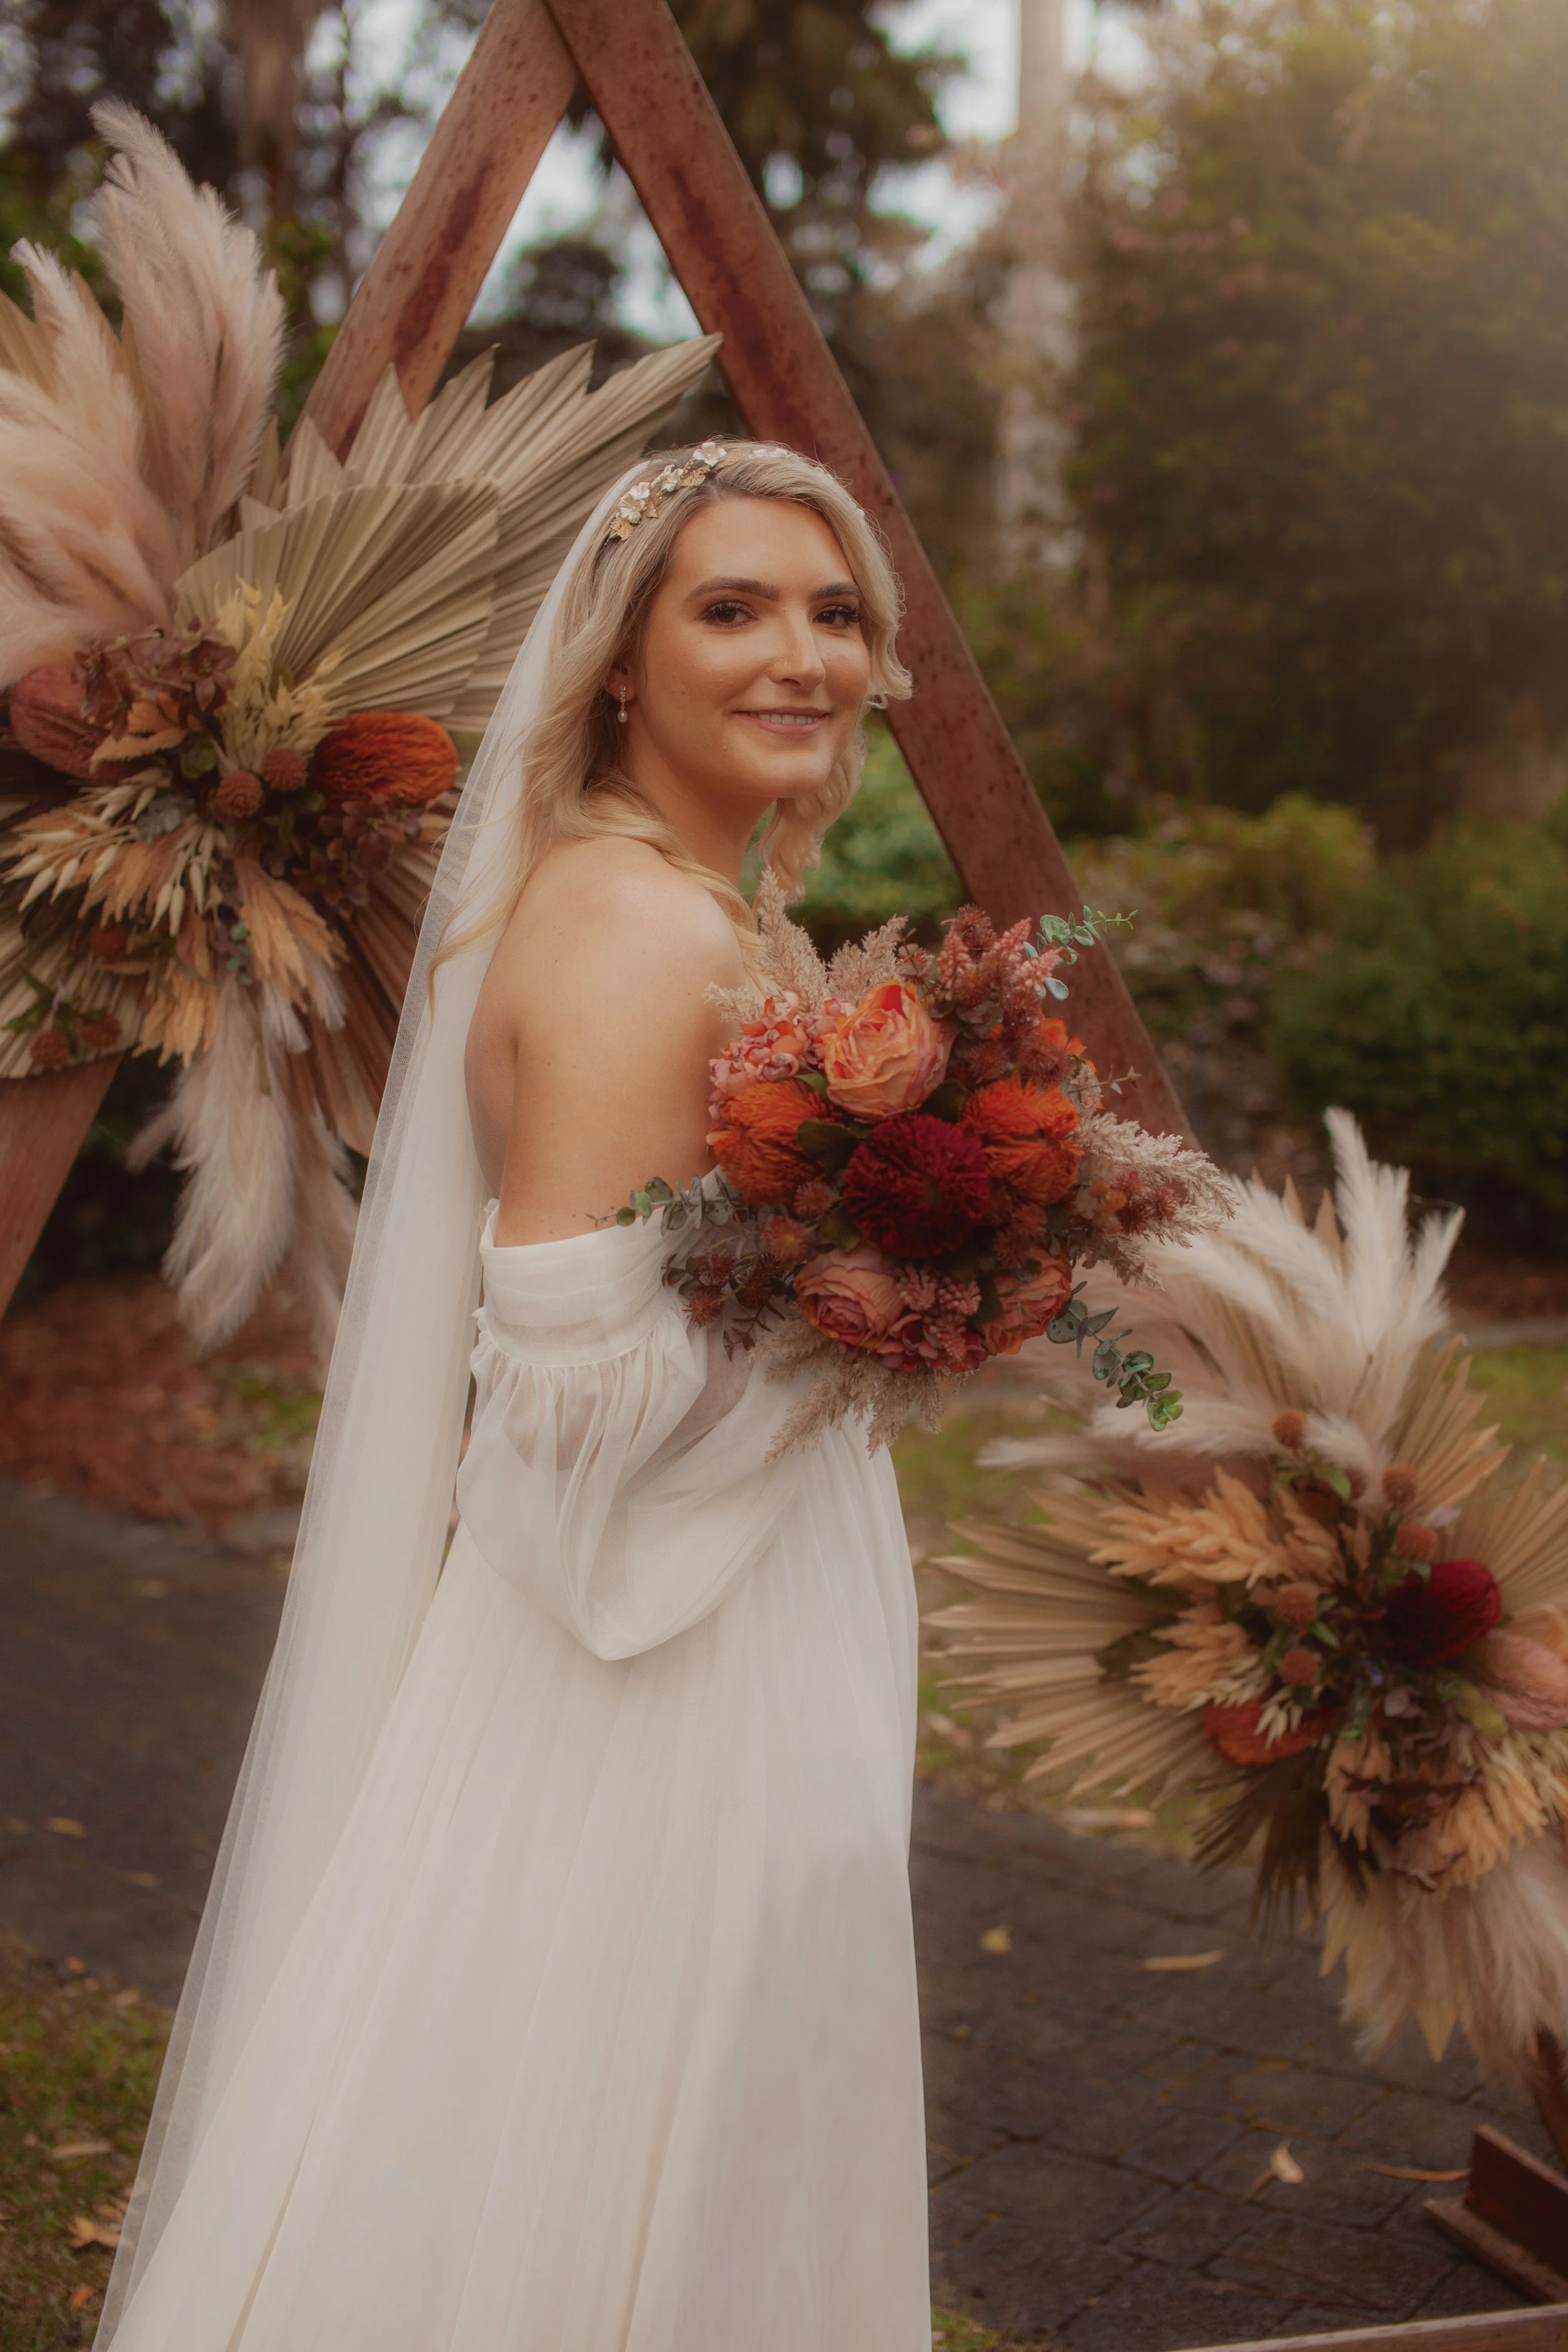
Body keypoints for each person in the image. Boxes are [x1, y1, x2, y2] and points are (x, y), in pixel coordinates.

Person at [98, 442, 931, 2351]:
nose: (802, 653)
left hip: (708, 1612)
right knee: (640, 2126)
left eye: (832, 612)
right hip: (660, 1675)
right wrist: (893, 1305)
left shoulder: (664, 903)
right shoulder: (642, 930)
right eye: (731, 607)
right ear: (618, 665)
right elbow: (562, 1386)